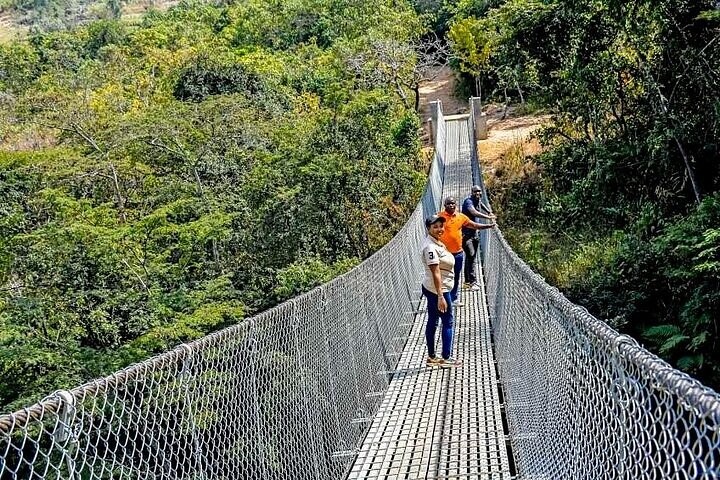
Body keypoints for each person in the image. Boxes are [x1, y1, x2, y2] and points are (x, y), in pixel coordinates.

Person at [438, 196, 495, 306]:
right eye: (448, 204)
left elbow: (474, 225)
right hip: (444, 253)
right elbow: (432, 228)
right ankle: (443, 298)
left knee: (456, 276)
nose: (451, 205)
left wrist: (488, 226)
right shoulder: (439, 217)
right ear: (444, 206)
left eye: (453, 203)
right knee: (444, 276)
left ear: (456, 205)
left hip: (458, 253)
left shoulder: (461, 217)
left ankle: (453, 298)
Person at [421, 214, 461, 368]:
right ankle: (446, 357)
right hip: (439, 290)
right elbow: (435, 272)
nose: (439, 229)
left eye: (440, 226)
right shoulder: (430, 247)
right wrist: (440, 296)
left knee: (433, 320)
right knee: (448, 321)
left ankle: (432, 357)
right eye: (435, 227)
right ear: (428, 228)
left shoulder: (435, 242)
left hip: (434, 288)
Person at [461, 185, 496, 290]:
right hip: (466, 235)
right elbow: (473, 212)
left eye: (479, 191)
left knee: (471, 257)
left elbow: (481, 204)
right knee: (471, 256)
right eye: (475, 192)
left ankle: (467, 282)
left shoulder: (477, 200)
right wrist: (488, 217)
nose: (478, 193)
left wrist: (489, 211)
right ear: (471, 192)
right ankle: (472, 282)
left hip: (474, 234)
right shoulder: (468, 202)